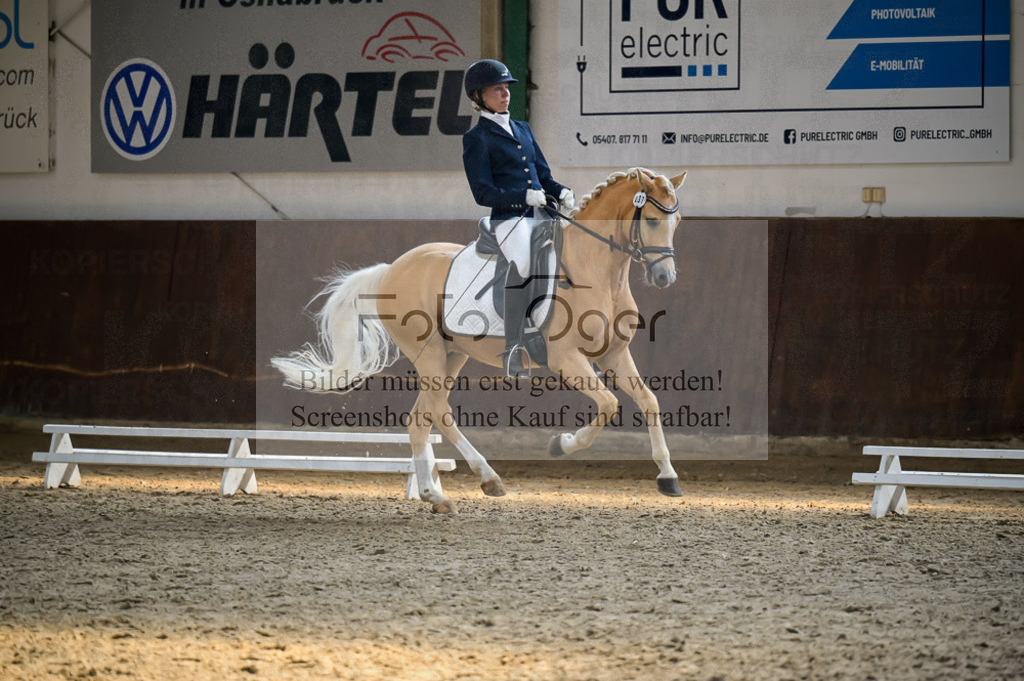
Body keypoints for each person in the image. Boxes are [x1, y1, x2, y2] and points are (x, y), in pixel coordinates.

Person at [462, 59, 574, 378]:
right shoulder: (477, 138)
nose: (505, 94)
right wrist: (521, 197)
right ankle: (514, 346)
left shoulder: (523, 128)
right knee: (523, 265)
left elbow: (543, 175)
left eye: (506, 88)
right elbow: (482, 193)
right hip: (509, 219)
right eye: (497, 89)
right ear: (479, 96)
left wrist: (561, 191)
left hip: (541, 212)